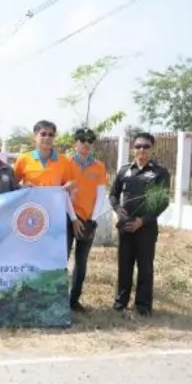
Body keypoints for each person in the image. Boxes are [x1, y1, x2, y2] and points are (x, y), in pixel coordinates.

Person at [109, 132, 171, 317]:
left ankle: (143, 307)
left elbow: (162, 202)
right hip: (126, 226)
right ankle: (120, 304)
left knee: (145, 267)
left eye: (145, 146)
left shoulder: (159, 172)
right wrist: (117, 208)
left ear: (152, 149)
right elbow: (113, 194)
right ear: (132, 148)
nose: (141, 150)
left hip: (146, 227)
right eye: (138, 146)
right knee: (124, 266)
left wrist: (142, 221)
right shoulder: (124, 170)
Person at [12, 120, 80, 236]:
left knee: (53, 252)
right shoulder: (23, 159)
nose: (47, 138)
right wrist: (21, 186)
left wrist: (71, 185)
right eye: (43, 134)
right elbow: (12, 185)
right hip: (30, 216)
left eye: (51, 135)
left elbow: (71, 184)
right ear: (34, 137)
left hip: (55, 216)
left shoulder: (64, 161)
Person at [67, 128, 108, 312]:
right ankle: (58, 299)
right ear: (75, 143)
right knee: (62, 260)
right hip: (68, 218)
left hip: (88, 220)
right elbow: (64, 193)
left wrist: (92, 219)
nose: (85, 143)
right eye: (81, 140)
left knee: (81, 262)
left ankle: (73, 300)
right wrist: (74, 218)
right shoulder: (66, 163)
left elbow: (101, 195)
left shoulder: (99, 166)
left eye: (89, 140)